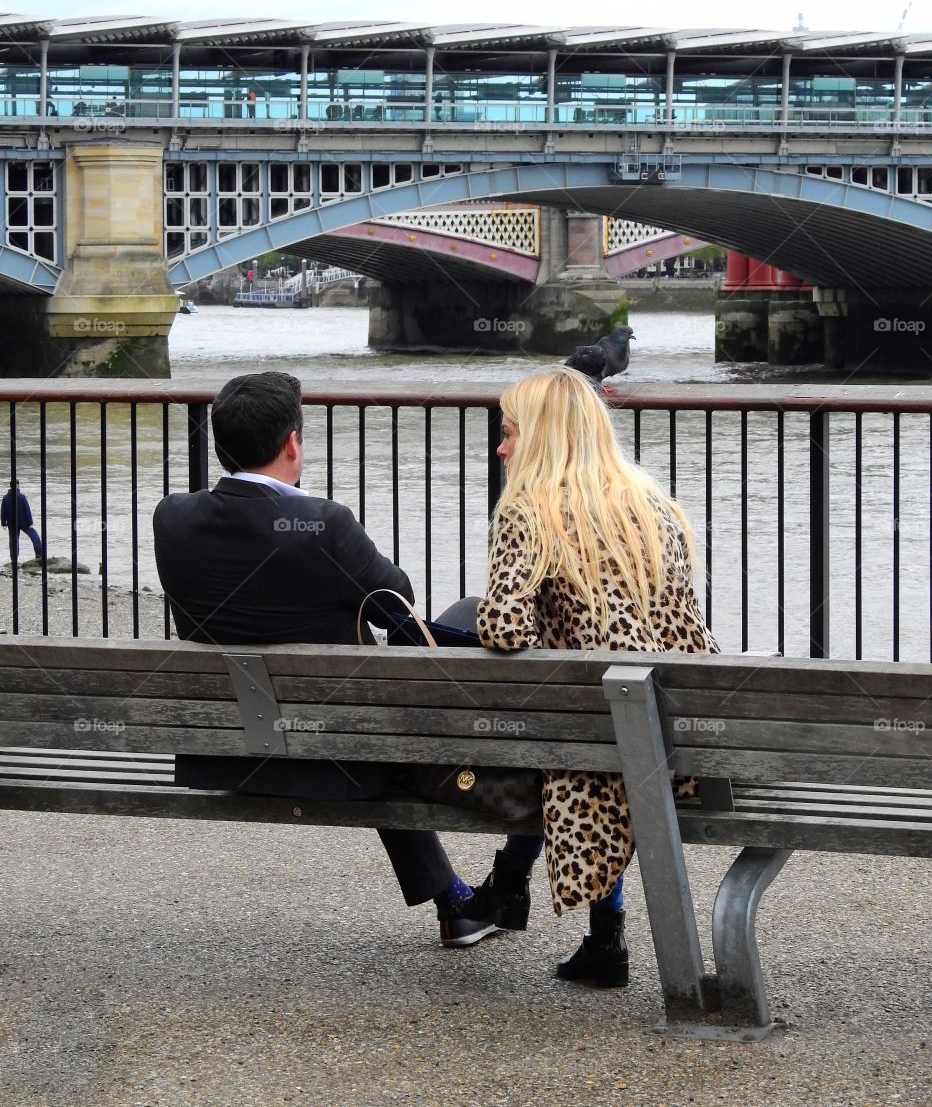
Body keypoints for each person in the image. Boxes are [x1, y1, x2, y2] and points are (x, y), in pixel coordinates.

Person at [152, 371, 497, 948]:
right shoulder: (322, 524)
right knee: (465, 613)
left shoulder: (172, 518)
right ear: (292, 443)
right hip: (340, 757)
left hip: (223, 754)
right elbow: (397, 602)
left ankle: (454, 900)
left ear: (219, 446)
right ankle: (458, 902)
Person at [459, 367, 718, 988]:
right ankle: (572, 921)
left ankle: (510, 889)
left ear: (542, 440)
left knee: (558, 736)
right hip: (675, 737)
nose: (500, 449)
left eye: (509, 434)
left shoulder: (529, 512)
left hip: (590, 739)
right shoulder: (652, 506)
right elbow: (683, 630)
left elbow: (502, 629)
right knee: (597, 730)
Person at [1, 480, 42, 560]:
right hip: (24, 522)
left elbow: (3, 511)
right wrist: (30, 522)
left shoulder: (5, 498)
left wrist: (3, 522)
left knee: (13, 541)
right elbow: (27, 510)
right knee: (34, 536)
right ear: (17, 485)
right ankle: (39, 554)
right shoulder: (21, 497)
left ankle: (14, 559)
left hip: (11, 523)